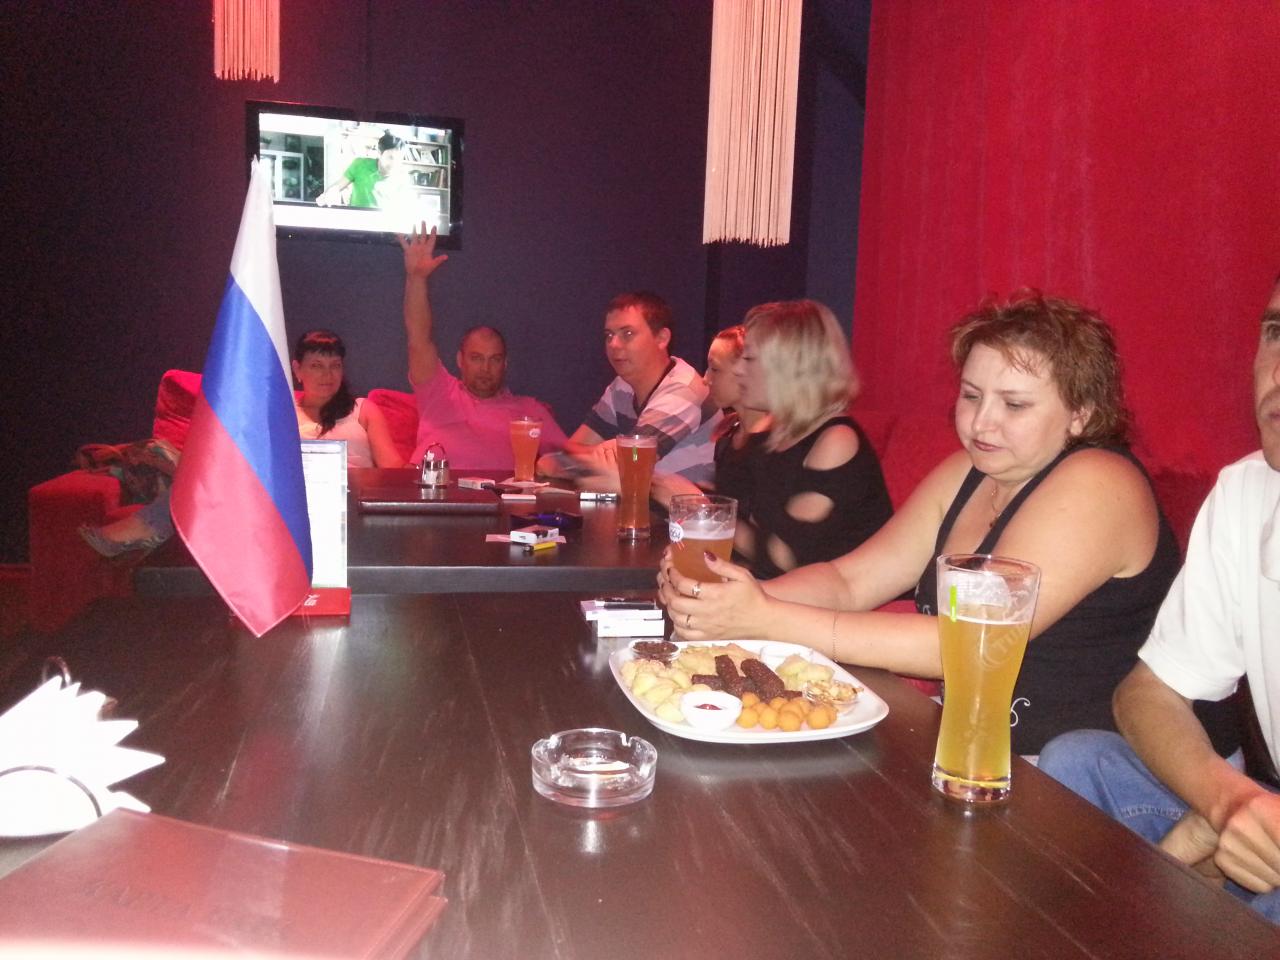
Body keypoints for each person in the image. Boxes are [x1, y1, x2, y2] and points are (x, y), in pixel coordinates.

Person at [658, 290, 1181, 757]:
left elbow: (966, 644)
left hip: (1077, 775)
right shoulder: (969, 472)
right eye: (971, 395)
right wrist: (720, 601)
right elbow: (849, 581)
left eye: (1014, 404)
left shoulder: (1099, 483)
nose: (981, 422)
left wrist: (765, 617)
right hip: (968, 746)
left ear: (1081, 413)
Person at [1037, 276, 1280, 923]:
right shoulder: (1246, 493)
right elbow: (1147, 693)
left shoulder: (1100, 482)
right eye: (1277, 333)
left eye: (1014, 401)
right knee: (1075, 761)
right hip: (1259, 811)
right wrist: (1227, 803)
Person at [79, 329, 403, 556]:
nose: (327, 375)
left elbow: (393, 469)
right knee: (221, 470)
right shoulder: (279, 410)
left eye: (335, 366)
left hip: (345, 497)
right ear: (297, 369)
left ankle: (151, 529)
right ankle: (152, 527)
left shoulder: (363, 409)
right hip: (288, 501)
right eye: (317, 365)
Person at [655, 303, 892, 578]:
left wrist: (702, 511)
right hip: (785, 593)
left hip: (847, 602)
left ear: (792, 367)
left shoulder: (836, 439)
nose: (739, 370)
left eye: (749, 359)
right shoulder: (777, 436)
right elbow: (751, 532)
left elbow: (786, 557)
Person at [400, 223, 567, 470]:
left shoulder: (529, 411)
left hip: (500, 493)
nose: (485, 369)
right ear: (460, 360)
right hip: (433, 489)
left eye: (494, 359)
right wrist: (416, 278)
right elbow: (418, 337)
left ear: (505, 364)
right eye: (476, 358)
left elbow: (571, 458)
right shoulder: (439, 390)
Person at [539, 291, 721, 487]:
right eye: (609, 335)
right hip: (642, 500)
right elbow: (569, 451)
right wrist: (602, 453)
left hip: (681, 506)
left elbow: (630, 465)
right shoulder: (621, 387)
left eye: (627, 334)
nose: (613, 344)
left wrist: (598, 456)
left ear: (662, 338)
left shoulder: (683, 391)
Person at [316, 130, 408, 209]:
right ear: (379, 153)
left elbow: (402, 209)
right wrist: (328, 194)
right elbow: (338, 185)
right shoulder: (360, 164)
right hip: (356, 220)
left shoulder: (402, 178)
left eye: (399, 158)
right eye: (390, 157)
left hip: (382, 222)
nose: (395, 163)